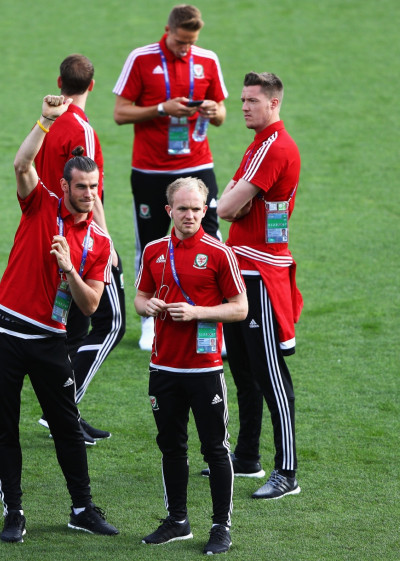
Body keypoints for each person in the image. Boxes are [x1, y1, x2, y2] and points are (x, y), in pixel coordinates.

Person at [0, 95, 119, 543]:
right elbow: (22, 164)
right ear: (63, 186)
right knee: (6, 427)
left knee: (66, 425)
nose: (88, 194)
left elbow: (91, 305)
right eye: (81, 187)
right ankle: (14, 511)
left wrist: (69, 269)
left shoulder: (97, 242)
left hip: (48, 341)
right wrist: (44, 121)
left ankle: (82, 508)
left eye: (94, 187)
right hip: (3, 332)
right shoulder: (39, 202)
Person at [134, 177, 246, 555]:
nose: (190, 215)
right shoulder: (153, 250)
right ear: (169, 211)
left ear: (205, 210)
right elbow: (140, 296)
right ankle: (177, 521)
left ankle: (220, 526)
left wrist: (198, 312)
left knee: (215, 449)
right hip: (164, 368)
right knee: (171, 447)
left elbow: (240, 307)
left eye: (197, 209)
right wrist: (146, 306)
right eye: (182, 209)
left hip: (205, 369)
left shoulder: (219, 253)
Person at [112, 4, 228, 351]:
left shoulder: (207, 58)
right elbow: (119, 113)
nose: (185, 48)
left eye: (190, 42)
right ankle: (149, 320)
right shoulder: (141, 58)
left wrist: (213, 110)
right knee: (151, 243)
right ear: (167, 30)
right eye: (180, 41)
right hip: (151, 171)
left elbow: (222, 114)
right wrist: (161, 108)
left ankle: (211, 319)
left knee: (211, 242)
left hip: (197, 165)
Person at [212, 71, 302, 500]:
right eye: (243, 99)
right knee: (243, 370)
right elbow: (231, 198)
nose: (244, 106)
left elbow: (226, 206)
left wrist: (239, 200)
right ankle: (247, 456)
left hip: (262, 276)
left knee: (270, 374)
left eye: (251, 100)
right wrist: (239, 199)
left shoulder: (274, 147)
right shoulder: (257, 144)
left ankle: (288, 471)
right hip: (243, 271)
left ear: (274, 103)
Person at [33, 54, 126, 443]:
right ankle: (61, 412)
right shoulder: (80, 129)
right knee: (112, 323)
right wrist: (108, 242)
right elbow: (89, 192)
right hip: (80, 240)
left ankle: (63, 412)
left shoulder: (48, 125)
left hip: (48, 233)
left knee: (72, 328)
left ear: (59, 80)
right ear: (92, 85)